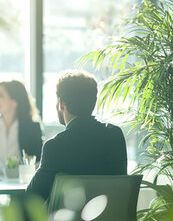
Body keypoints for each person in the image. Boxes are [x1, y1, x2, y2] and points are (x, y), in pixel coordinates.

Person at [25, 70, 127, 201]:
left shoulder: (55, 146)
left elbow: (32, 197)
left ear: (61, 103)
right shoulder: (115, 136)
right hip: (110, 220)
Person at [0, 80, 43, 170]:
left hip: (20, 182)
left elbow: (39, 162)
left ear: (14, 102)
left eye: (0, 96)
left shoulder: (32, 129)